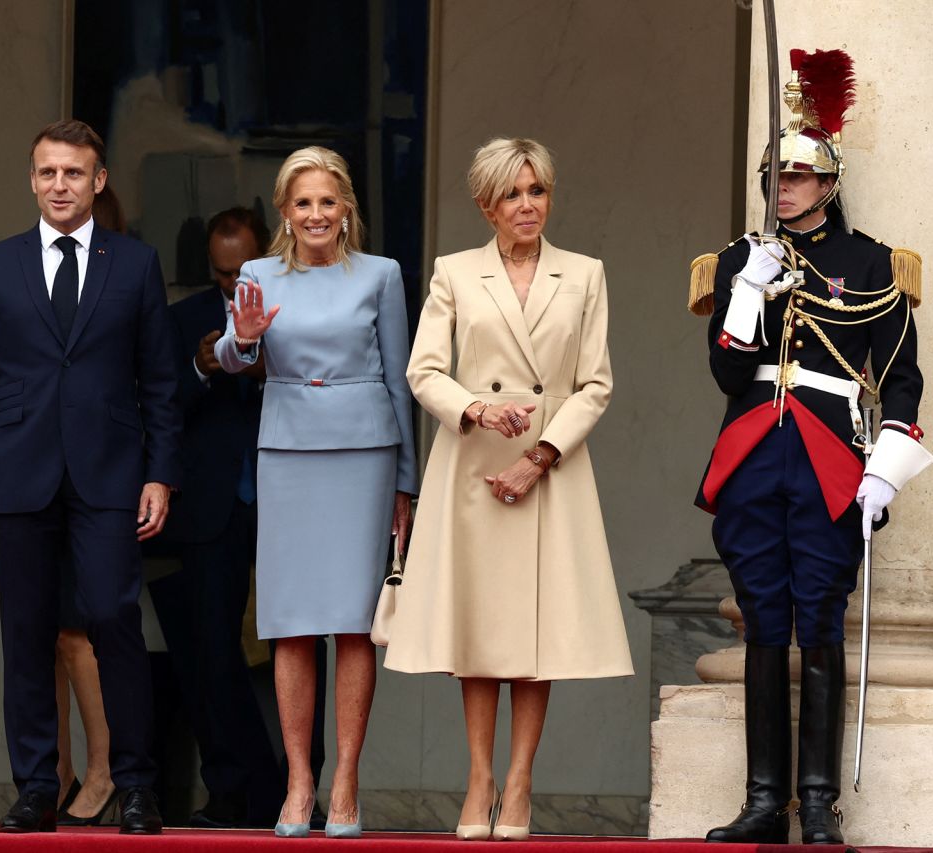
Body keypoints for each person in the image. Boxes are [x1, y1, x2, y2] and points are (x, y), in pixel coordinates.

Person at [687, 51, 932, 845]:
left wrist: (885, 469)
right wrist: (750, 291)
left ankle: (819, 804)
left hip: (830, 455)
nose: (784, 187)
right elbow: (729, 372)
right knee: (764, 621)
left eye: (799, 175)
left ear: (828, 183)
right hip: (755, 451)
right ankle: (764, 801)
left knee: (819, 620)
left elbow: (899, 378)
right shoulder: (735, 261)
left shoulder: (871, 263)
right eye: (776, 175)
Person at [382, 137, 633, 842]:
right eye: (514, 193)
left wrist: (541, 453)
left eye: (538, 191)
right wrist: (477, 409)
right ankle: (478, 776)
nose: (528, 205)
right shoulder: (454, 273)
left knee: (537, 628)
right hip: (474, 466)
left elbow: (596, 384)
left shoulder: (584, 274)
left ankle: (519, 780)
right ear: (486, 204)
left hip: (551, 467)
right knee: (481, 626)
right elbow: (424, 371)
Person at [0, 119, 180, 835]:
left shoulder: (134, 264)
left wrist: (160, 474)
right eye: (47, 172)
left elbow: (161, 382)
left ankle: (136, 785)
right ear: (31, 178)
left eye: (73, 174)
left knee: (114, 621)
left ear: (98, 181)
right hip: (16, 474)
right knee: (26, 632)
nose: (59, 185)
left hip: (110, 475)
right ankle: (37, 786)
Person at [216, 146, 417, 839]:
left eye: (328, 201)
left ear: (347, 207)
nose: (316, 214)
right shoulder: (258, 273)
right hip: (289, 452)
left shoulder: (382, 275)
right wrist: (240, 342)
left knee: (354, 621)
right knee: (292, 621)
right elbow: (232, 354)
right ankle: (299, 779)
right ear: (284, 210)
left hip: (365, 455)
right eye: (303, 202)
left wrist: (406, 481)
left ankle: (346, 780)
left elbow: (401, 380)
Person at [152, 206, 284, 829]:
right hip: (210, 511)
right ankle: (233, 789)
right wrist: (205, 368)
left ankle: (299, 788)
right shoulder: (185, 320)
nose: (233, 286)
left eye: (243, 272)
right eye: (221, 274)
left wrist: (270, 371)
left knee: (299, 649)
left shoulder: (298, 308)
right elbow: (158, 407)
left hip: (290, 503)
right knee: (210, 654)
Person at [52, 183, 130, 827]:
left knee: (84, 632)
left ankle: (104, 772)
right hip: (39, 481)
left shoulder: (127, 274)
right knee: (47, 634)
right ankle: (57, 773)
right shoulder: (24, 269)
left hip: (102, 480)